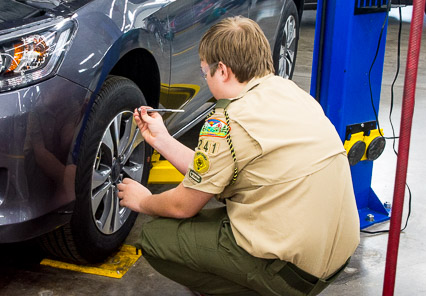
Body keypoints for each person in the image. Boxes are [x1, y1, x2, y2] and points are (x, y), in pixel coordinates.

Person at [117, 16, 360, 295]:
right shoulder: (290, 92)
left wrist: (144, 200)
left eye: (204, 72)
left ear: (222, 71)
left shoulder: (226, 121)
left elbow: (183, 206)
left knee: (155, 238)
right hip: (335, 256)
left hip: (293, 274)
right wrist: (161, 139)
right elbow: (209, 172)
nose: (205, 80)